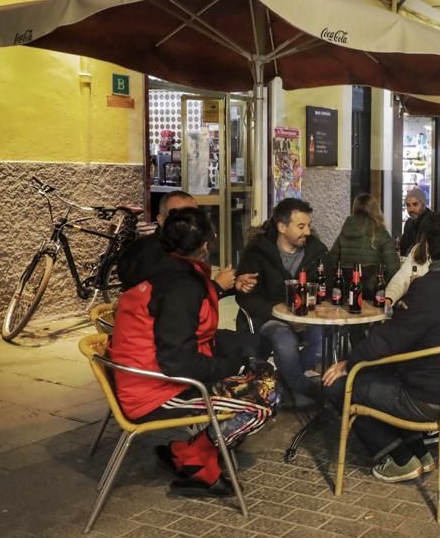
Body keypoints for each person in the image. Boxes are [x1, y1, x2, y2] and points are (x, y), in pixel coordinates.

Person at [110, 208, 280, 497]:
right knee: (268, 396)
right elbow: (178, 360)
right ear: (204, 246)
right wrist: (231, 367)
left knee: (255, 367)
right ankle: (197, 459)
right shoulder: (179, 287)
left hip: (144, 379)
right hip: (155, 393)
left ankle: (190, 451)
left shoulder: (160, 270)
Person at [320, 212, 440, 482]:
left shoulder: (430, 288)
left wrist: (348, 363)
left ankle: (397, 458)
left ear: (429, 245)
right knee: (378, 375)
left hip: (426, 399)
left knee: (339, 385)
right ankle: (419, 453)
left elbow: (388, 339)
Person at [236, 198, 328, 406]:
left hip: (306, 317)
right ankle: (303, 386)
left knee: (325, 338)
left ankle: (284, 379)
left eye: (309, 226)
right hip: (267, 318)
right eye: (301, 226)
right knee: (284, 338)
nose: (308, 232)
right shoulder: (258, 253)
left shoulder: (317, 252)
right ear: (282, 227)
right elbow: (246, 296)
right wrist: (280, 314)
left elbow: (326, 288)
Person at [119, 191, 257, 297]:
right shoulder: (147, 254)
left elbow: (200, 290)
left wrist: (233, 284)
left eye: (194, 216)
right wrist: (217, 287)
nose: (190, 224)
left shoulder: (191, 246)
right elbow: (175, 303)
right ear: (161, 220)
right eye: (180, 218)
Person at [326, 193, 400, 293]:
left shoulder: (345, 231)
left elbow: (330, 263)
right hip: (373, 292)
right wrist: (382, 286)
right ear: (376, 210)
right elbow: (392, 268)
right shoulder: (380, 232)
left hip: (348, 290)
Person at [398, 187, 432, 257]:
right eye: (408, 205)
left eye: (415, 204)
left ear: (423, 204)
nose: (411, 209)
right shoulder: (409, 222)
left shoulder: (433, 221)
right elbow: (403, 248)